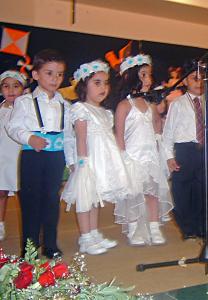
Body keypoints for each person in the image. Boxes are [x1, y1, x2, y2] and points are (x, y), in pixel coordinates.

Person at [7, 49, 72, 258]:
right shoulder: (24, 102)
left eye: (60, 74)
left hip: (56, 157)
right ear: (35, 75)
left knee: (52, 200)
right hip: (33, 156)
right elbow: (13, 127)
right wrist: (29, 138)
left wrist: (71, 160)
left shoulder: (66, 104)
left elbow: (69, 135)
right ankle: (30, 248)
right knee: (30, 201)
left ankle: (51, 244)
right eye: (49, 73)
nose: (55, 79)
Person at [62, 60, 131, 255]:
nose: (103, 87)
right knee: (85, 199)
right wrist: (82, 164)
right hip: (89, 162)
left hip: (102, 164)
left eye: (106, 83)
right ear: (84, 86)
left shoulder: (105, 113)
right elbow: (81, 139)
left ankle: (94, 233)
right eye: (97, 83)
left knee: (96, 199)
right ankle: (85, 238)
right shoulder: (80, 109)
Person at [114, 54, 173, 246]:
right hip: (133, 157)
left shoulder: (150, 104)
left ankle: (154, 227)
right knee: (133, 194)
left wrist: (158, 139)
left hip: (150, 156)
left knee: (152, 192)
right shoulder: (124, 105)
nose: (148, 80)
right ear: (131, 78)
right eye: (143, 75)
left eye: (149, 75)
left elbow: (156, 123)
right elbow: (119, 133)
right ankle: (134, 229)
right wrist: (122, 156)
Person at [162, 60, 208, 240]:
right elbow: (168, 132)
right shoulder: (177, 104)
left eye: (202, 78)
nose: (199, 81)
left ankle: (203, 226)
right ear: (185, 81)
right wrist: (169, 157)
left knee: (202, 191)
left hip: (203, 151)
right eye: (194, 78)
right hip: (184, 150)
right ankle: (187, 227)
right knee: (183, 190)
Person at [0, 70, 26, 240]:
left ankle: (29, 226)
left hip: (20, 156)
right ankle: (0, 224)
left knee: (22, 193)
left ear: (23, 89)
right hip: (3, 157)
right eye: (6, 86)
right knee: (1, 192)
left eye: (15, 86)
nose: (11, 90)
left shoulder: (26, 110)